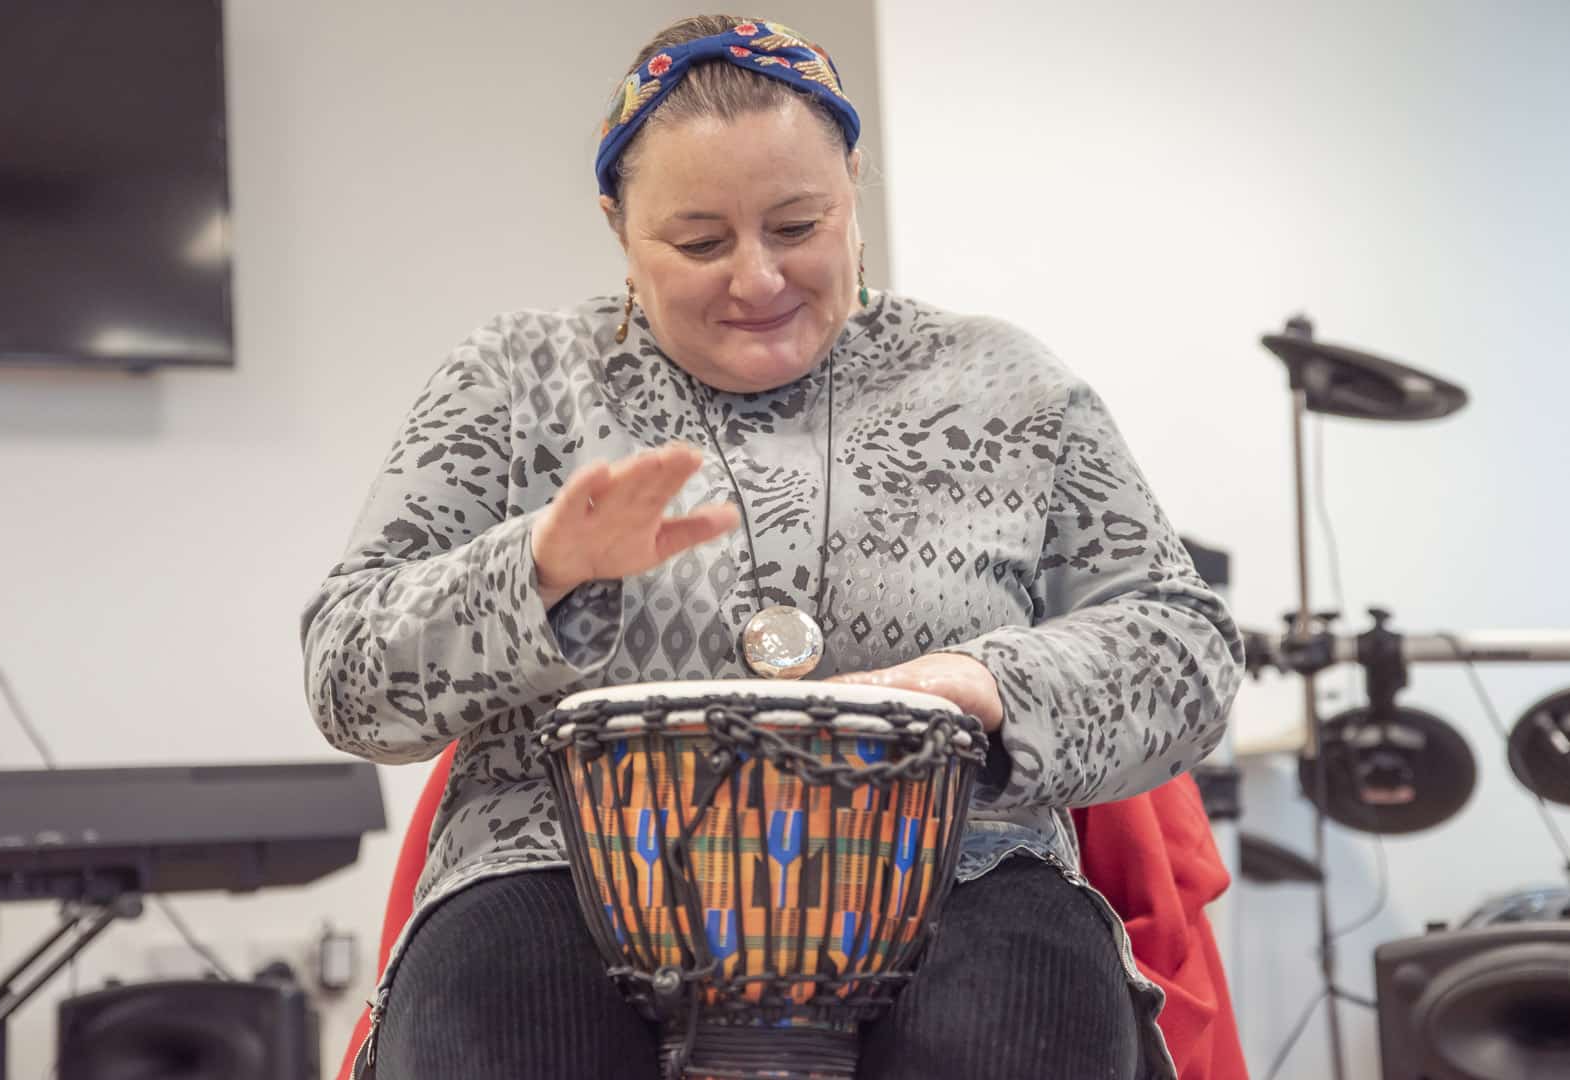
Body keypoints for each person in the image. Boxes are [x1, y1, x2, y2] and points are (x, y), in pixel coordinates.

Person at [300, 14, 1244, 1080]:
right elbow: (347, 681)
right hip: (557, 867)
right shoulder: (519, 382)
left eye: (798, 225)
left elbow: (1186, 650)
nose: (755, 280)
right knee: (511, 1034)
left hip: (955, 863)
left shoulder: (1005, 384)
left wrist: (986, 679)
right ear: (617, 226)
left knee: (1017, 1026)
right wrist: (538, 570)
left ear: (854, 191)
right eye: (700, 242)